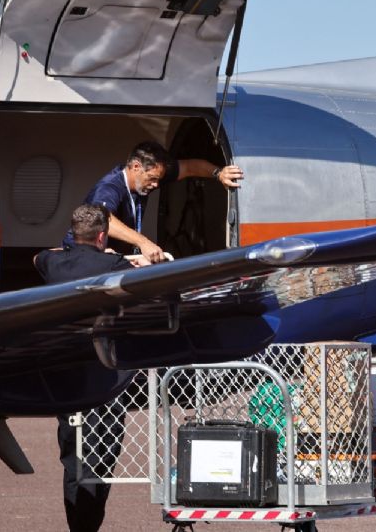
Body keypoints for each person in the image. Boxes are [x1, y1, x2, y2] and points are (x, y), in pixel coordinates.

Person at [36, 204, 145, 532]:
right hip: (106, 378)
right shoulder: (114, 264)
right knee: (105, 453)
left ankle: (79, 527)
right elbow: (138, 275)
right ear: (102, 235)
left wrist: (68, 249)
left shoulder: (52, 263)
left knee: (74, 459)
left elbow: (39, 257)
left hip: (67, 379)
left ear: (73, 233)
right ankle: (89, 523)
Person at [63, 140, 244, 263]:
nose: (156, 184)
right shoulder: (110, 187)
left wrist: (218, 173)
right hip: (81, 254)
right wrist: (143, 242)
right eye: (152, 178)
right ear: (136, 167)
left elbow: (189, 167)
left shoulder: (150, 178)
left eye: (159, 179)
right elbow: (104, 219)